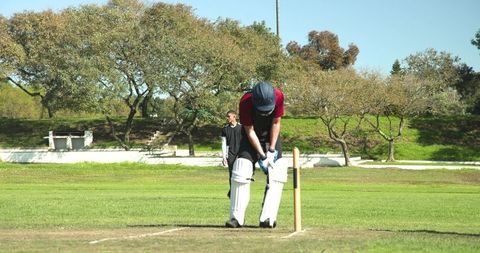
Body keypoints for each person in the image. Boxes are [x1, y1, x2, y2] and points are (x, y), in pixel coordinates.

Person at [225, 81, 288, 229]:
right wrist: (262, 155)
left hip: (271, 135)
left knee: (276, 172)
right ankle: (236, 218)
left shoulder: (278, 96)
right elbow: (249, 130)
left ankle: (268, 218)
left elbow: (276, 123)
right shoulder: (246, 101)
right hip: (250, 136)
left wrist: (272, 150)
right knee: (242, 167)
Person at [221, 110, 242, 198]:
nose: (227, 118)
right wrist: (224, 156)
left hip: (240, 153)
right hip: (230, 153)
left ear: (234, 117)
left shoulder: (242, 127)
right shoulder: (225, 128)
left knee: (240, 173)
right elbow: (223, 142)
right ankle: (232, 192)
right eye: (227, 116)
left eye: (229, 116)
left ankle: (239, 191)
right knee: (231, 173)